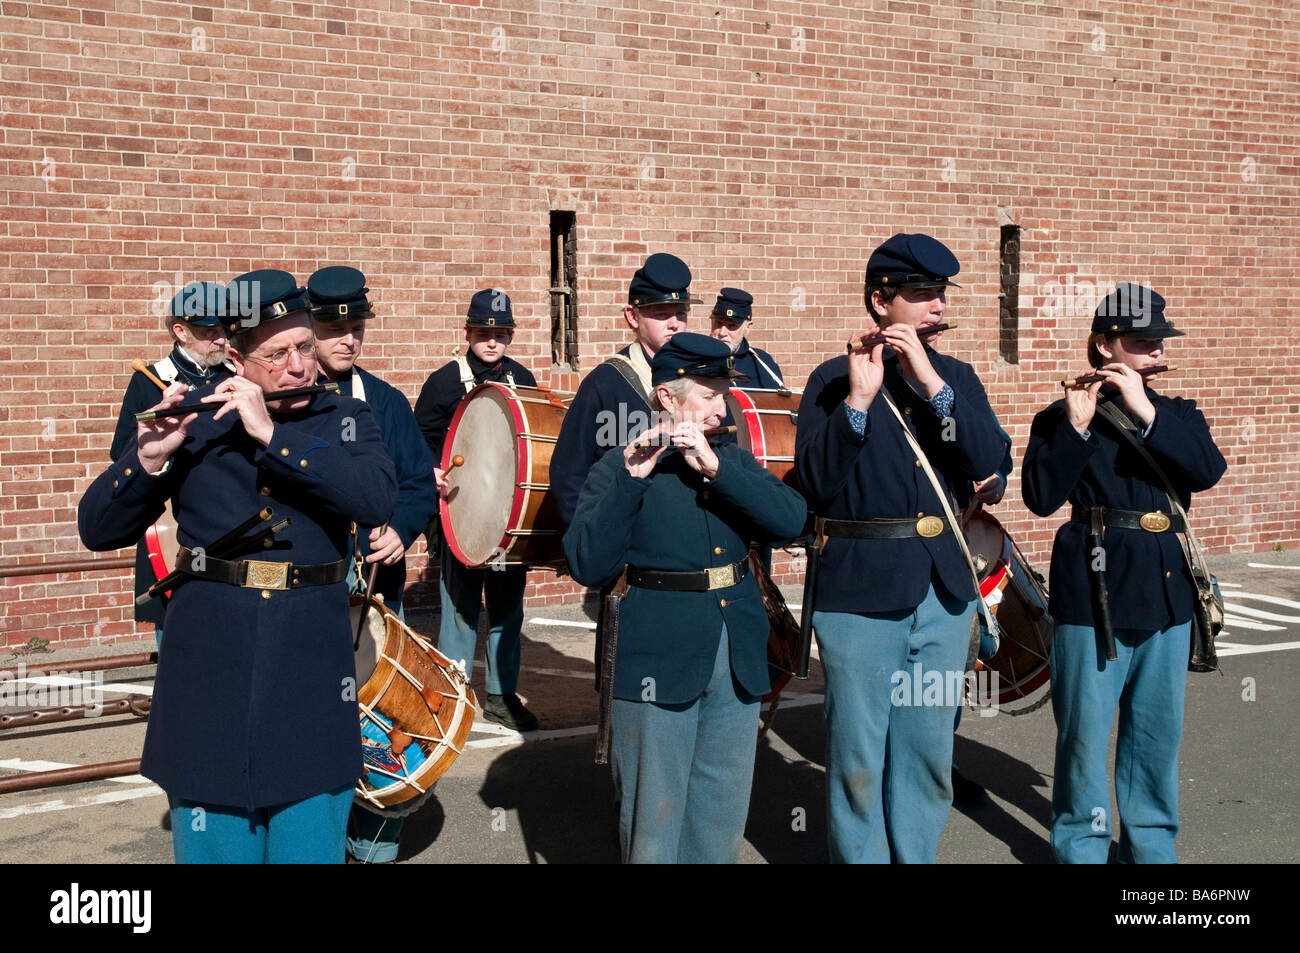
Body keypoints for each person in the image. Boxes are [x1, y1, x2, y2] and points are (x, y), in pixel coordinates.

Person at [78, 269, 396, 864]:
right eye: (276, 353)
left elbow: (373, 499)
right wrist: (146, 459)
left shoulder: (344, 420)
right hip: (209, 671)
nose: (298, 365)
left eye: (304, 345)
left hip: (310, 674)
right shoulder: (196, 422)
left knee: (308, 845)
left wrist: (273, 434)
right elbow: (97, 528)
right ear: (236, 357)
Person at [794, 233, 1006, 863]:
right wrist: (858, 403)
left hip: (943, 592)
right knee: (858, 758)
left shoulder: (955, 378)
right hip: (859, 592)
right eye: (921, 295)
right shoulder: (832, 380)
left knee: (926, 752)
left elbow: (991, 460)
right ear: (879, 301)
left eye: (940, 295)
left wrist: (931, 383)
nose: (936, 307)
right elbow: (812, 484)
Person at [563, 332, 807, 863]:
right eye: (709, 394)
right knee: (653, 821)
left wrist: (718, 471)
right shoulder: (621, 465)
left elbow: (791, 520)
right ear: (668, 398)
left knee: (719, 817)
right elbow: (588, 563)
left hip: (736, 653)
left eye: (724, 392)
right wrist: (631, 480)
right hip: (656, 658)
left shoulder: (730, 460)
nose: (723, 406)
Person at [1021, 283, 1225, 864]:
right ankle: (1081, 849)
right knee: (1083, 740)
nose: (1157, 353)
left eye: (1160, 343)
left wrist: (1145, 409)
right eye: (1142, 342)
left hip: (1165, 595)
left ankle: (1152, 852)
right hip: (1094, 594)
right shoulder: (1060, 415)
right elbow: (1040, 497)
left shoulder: (1176, 414)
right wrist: (1077, 429)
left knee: (1155, 739)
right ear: (1104, 345)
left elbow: (1207, 471)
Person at [414, 289, 539, 732]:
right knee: (461, 610)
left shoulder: (522, 377)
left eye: (501, 333)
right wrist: (431, 471)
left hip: (507, 516)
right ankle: (452, 699)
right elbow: (421, 439)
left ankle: (502, 697)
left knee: (508, 610)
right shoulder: (444, 381)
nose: (492, 341)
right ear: (467, 332)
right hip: (461, 512)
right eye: (484, 332)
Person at [110, 281, 237, 642]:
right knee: (178, 641)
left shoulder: (235, 376)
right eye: (207, 330)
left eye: (223, 328)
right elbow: (122, 453)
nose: (219, 338)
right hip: (172, 524)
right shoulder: (149, 381)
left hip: (230, 521)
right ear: (180, 331)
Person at [307, 265, 435, 616]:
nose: (349, 340)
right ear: (309, 329)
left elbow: (418, 480)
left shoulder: (386, 401)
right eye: (335, 330)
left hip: (377, 579)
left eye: (357, 329)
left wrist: (400, 530)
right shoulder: (284, 399)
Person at [549, 253, 695, 528]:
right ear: (633, 316)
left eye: (681, 312)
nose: (675, 323)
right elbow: (568, 476)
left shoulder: (702, 379)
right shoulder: (605, 383)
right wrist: (593, 544)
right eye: (662, 313)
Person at [708, 287, 785, 389]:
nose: (722, 333)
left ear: (748, 327)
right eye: (719, 323)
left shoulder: (763, 363)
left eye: (731, 326)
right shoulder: (694, 358)